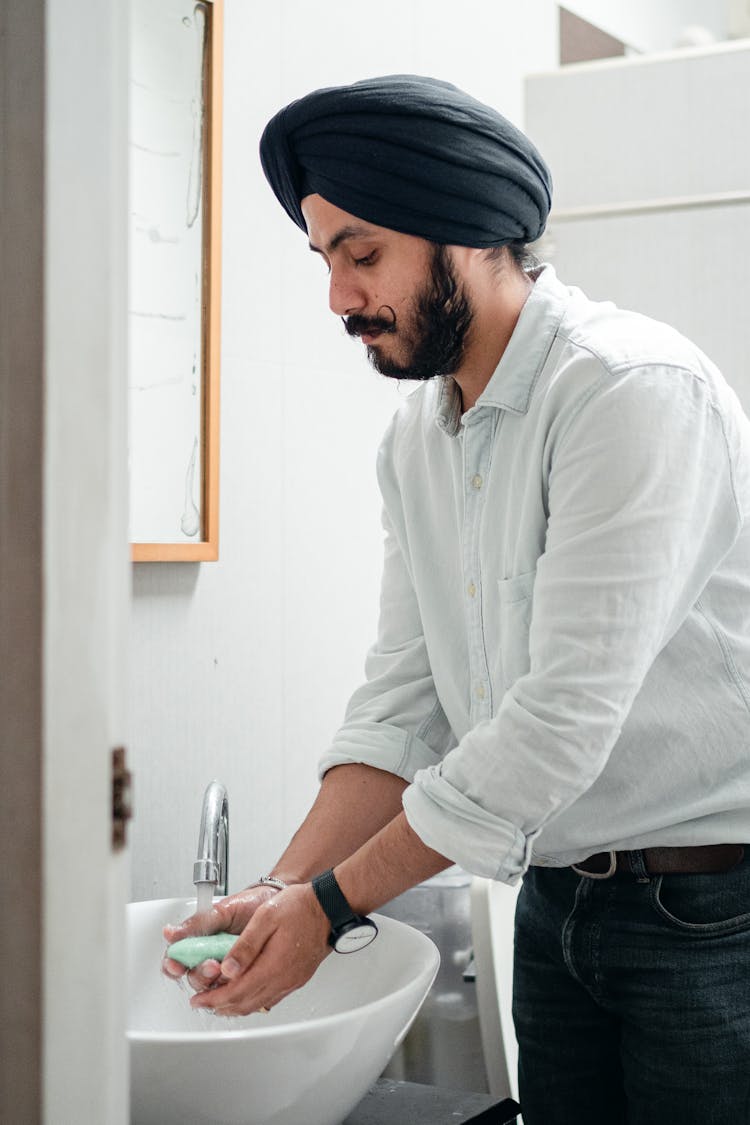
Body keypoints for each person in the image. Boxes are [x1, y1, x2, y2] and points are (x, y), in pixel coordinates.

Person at [162, 75, 750, 1124]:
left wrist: (330, 907)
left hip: (713, 916)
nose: (338, 298)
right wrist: (281, 887)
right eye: (326, 258)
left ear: (470, 233)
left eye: (362, 253)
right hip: (558, 900)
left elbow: (555, 724)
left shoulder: (630, 393)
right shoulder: (418, 440)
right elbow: (403, 703)